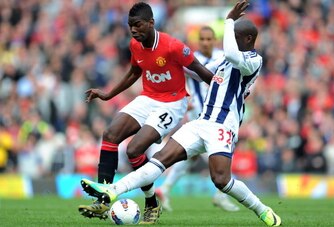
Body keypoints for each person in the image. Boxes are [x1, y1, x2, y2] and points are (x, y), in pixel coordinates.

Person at [80, 1, 282, 226]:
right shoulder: (225, 59)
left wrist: (228, 21)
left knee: (221, 180)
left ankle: (262, 209)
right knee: (159, 161)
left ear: (247, 40)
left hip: (223, 126)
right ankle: (113, 190)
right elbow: (200, 67)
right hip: (201, 121)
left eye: (233, 37)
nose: (227, 42)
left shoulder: (253, 60)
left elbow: (233, 56)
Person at [77, 2, 214, 224]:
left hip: (172, 104)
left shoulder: (172, 46)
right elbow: (134, 72)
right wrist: (108, 94)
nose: (133, 30)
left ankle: (150, 201)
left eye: (138, 25)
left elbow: (201, 71)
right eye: (130, 25)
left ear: (151, 23)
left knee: (134, 149)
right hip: (148, 98)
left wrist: (228, 92)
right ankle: (103, 199)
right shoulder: (135, 45)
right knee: (110, 134)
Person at [155, 26, 240, 212]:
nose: (206, 42)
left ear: (215, 40)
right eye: (203, 39)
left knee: (190, 157)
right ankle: (221, 195)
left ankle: (165, 189)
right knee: (222, 154)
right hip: (200, 115)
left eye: (209, 39)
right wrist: (184, 97)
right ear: (198, 41)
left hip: (220, 114)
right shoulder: (191, 59)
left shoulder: (223, 56)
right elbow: (177, 78)